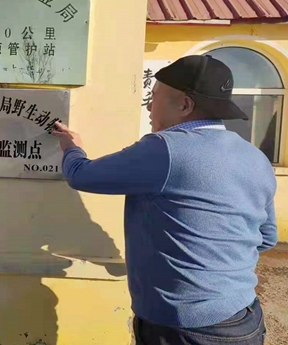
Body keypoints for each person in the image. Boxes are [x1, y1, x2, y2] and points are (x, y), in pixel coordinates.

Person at [53, 55, 277, 345]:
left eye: (154, 97)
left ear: (184, 105)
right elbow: (266, 237)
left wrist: (72, 147)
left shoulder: (165, 149)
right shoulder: (255, 158)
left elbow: (81, 175)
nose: (149, 106)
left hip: (185, 328)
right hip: (244, 318)